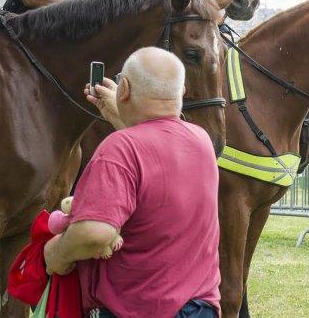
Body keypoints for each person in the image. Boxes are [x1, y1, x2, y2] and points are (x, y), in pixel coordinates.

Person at [43, 47, 220, 318]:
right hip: (199, 307)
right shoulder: (201, 141)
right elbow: (158, 152)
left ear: (123, 88)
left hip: (136, 308)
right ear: (181, 92)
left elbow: (95, 233)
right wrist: (122, 117)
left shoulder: (119, 148)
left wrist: (57, 253)